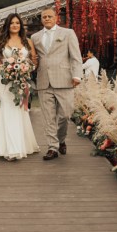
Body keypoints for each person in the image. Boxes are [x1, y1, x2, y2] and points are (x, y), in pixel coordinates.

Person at [31, 8, 83, 161]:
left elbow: (76, 56)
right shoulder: (34, 37)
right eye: (44, 17)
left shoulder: (68, 33)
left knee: (65, 114)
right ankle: (52, 147)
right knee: (48, 117)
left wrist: (77, 75)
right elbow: (34, 58)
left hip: (64, 79)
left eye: (49, 16)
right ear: (41, 19)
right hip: (43, 80)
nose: (47, 18)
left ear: (56, 18)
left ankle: (61, 139)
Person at [0, 13, 40, 161]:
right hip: (5, 81)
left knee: (20, 109)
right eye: (12, 23)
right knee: (8, 108)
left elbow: (34, 61)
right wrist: (4, 68)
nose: (15, 25)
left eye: (17, 23)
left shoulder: (28, 41)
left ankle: (23, 144)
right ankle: (11, 149)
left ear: (21, 25)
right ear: (7, 25)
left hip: (22, 79)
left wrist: (25, 69)